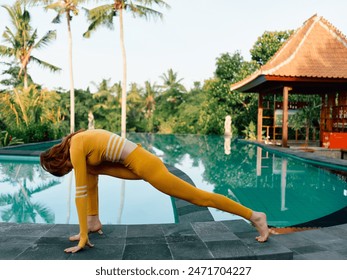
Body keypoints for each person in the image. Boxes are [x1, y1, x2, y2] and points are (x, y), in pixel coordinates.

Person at [40, 129, 269, 253]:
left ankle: (254, 215)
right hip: (140, 164)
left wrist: (82, 238)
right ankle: (93, 222)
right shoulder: (79, 143)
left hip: (146, 165)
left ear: (59, 161)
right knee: (90, 172)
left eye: (65, 169)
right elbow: (91, 184)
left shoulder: (76, 148)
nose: (70, 168)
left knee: (199, 197)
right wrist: (90, 223)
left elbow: (80, 193)